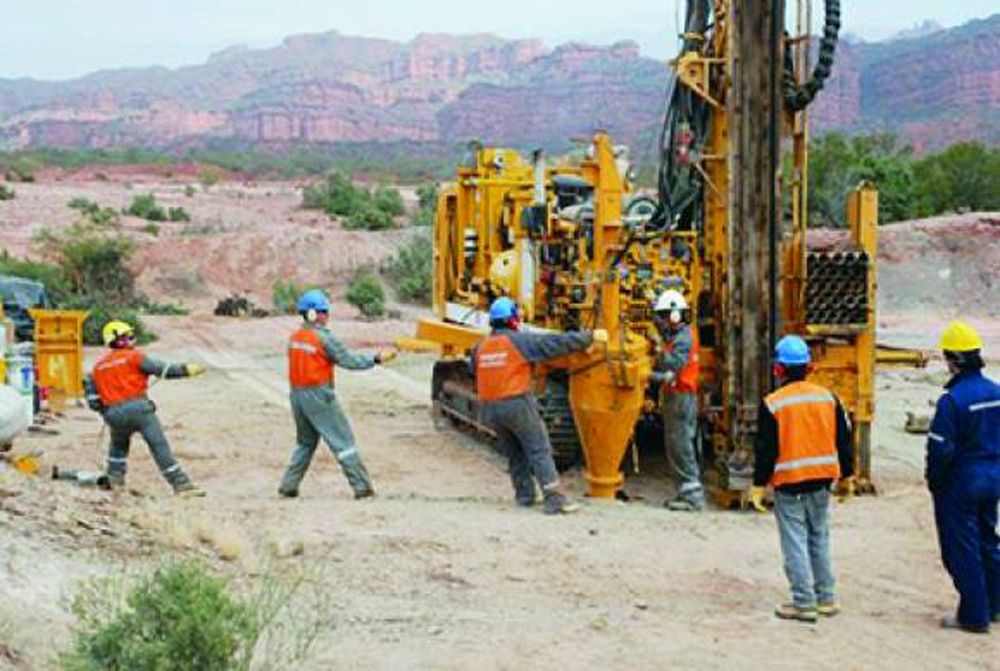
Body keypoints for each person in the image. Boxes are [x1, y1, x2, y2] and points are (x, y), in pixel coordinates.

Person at [750, 334, 853, 622]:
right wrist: (847, 477)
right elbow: (844, 441)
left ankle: (804, 602)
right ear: (809, 368)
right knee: (819, 537)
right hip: (822, 482)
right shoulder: (829, 398)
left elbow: (766, 450)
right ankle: (826, 598)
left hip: (790, 484)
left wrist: (758, 485)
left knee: (795, 541)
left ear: (778, 369)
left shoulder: (773, 404)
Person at [472, 297, 605, 514]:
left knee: (515, 452)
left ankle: (524, 496)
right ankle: (554, 499)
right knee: (538, 448)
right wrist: (589, 337)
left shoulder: (480, 347)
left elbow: (474, 371)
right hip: (516, 403)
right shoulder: (519, 341)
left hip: (490, 407)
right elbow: (555, 344)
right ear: (513, 320)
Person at [279, 289, 396, 499]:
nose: (327, 315)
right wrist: (375, 359)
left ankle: (288, 486)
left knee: (305, 443)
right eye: (324, 311)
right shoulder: (322, 338)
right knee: (343, 442)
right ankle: (362, 488)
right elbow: (348, 360)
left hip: (297, 396)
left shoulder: (295, 337)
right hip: (318, 396)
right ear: (314, 314)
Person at [926, 320, 999, 634]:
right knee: (988, 539)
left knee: (962, 547)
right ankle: (995, 604)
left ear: (952, 359)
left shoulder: (952, 401)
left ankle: (973, 615)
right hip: (993, 477)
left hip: (963, 483)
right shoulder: (996, 393)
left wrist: (935, 481)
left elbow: (941, 449)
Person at [84, 320, 206, 497]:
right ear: (120, 340)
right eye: (128, 336)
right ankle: (182, 485)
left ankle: (114, 479)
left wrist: (108, 412)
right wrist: (187, 370)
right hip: (140, 409)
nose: (132, 339)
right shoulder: (134, 357)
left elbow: (94, 401)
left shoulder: (97, 368)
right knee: (158, 445)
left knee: (118, 447)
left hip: (113, 414)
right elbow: (163, 370)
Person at [651, 289, 703, 511]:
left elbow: (674, 364)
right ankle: (689, 491)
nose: (663, 321)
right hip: (681, 395)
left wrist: (657, 352)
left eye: (665, 316)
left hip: (680, 397)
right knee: (682, 443)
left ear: (674, 315)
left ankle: (692, 497)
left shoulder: (683, 338)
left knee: (679, 445)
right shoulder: (682, 333)